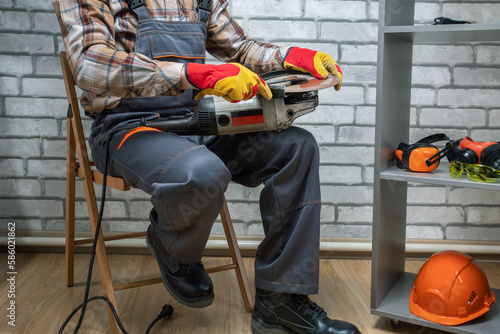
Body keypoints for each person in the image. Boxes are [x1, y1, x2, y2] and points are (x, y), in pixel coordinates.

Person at [55, 0, 360, 333]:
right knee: (203, 172)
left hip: (195, 122)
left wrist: (289, 58)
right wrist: (190, 74)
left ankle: (280, 301)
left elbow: (240, 48)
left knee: (296, 147)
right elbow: (88, 63)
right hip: (128, 126)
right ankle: (171, 248)